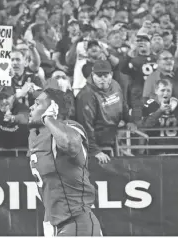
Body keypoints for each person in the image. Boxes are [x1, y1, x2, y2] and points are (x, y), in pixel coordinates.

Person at [28, 88, 102, 236]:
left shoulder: (70, 127)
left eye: (37, 104)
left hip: (75, 221)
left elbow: (70, 144)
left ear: (52, 108)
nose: (31, 107)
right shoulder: (36, 135)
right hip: (54, 222)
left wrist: (48, 118)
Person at [76, 60, 136, 163]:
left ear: (111, 74)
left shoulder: (115, 85)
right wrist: (95, 151)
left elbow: (123, 104)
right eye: (99, 75)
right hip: (95, 141)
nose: (102, 78)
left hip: (112, 135)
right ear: (92, 75)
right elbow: (85, 126)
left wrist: (128, 120)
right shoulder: (86, 95)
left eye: (105, 75)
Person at [141, 79, 178, 155]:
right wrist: (160, 111)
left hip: (175, 149)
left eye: (168, 90)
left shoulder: (176, 104)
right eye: (163, 90)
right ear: (156, 91)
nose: (166, 93)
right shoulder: (150, 105)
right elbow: (146, 126)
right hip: (156, 150)